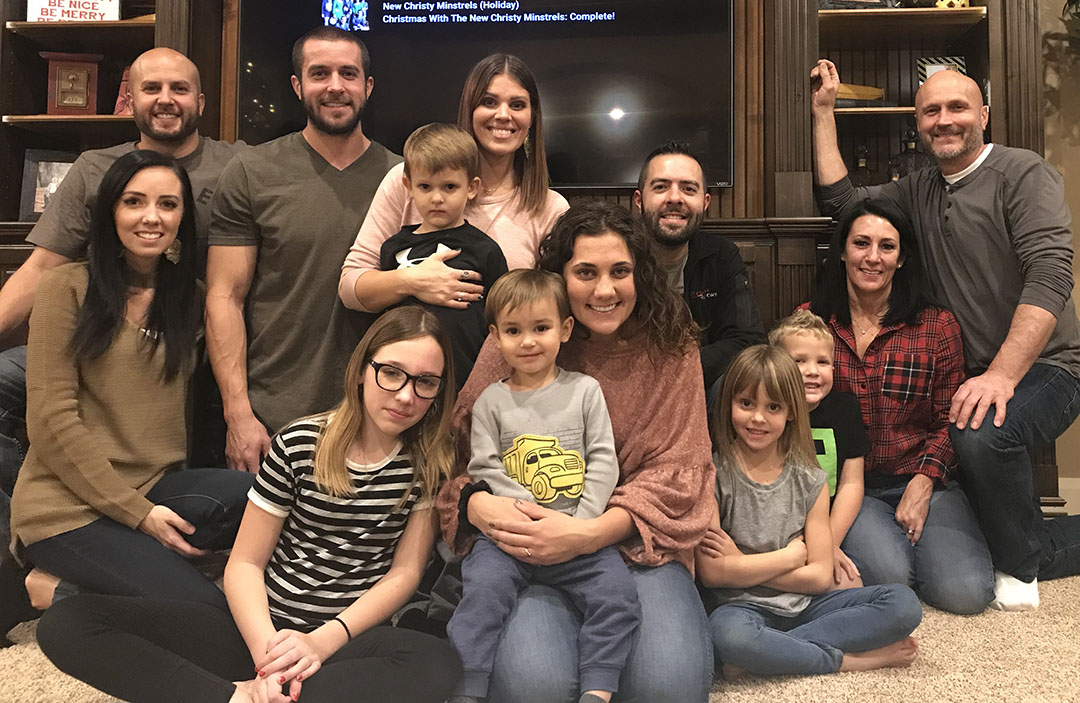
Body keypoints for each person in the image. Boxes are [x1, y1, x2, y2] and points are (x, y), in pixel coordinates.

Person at [35, 306, 463, 703]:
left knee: (437, 662)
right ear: (362, 371)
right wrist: (267, 659)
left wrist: (320, 642)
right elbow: (244, 564)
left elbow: (404, 573)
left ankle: (269, 694)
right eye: (392, 373)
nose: (405, 395)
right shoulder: (299, 443)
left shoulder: (430, 462)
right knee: (68, 622)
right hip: (257, 630)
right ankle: (237, 697)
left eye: (425, 382)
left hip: (344, 641)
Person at [811, 59, 1080, 610]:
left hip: (1050, 366)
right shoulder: (918, 189)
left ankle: (1024, 565)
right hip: (973, 369)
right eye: (931, 110)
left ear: (983, 114)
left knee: (979, 433)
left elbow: (1051, 274)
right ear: (918, 122)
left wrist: (1001, 376)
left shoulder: (1023, 173)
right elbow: (845, 204)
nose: (944, 120)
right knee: (978, 459)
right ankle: (1021, 542)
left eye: (958, 107)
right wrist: (822, 113)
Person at [0, 47, 245, 618]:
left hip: (153, 481)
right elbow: (52, 420)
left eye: (167, 205)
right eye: (133, 203)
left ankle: (121, 566)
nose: (151, 217)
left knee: (264, 499)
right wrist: (140, 516)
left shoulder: (187, 297)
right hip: (70, 502)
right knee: (204, 614)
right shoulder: (69, 285)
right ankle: (43, 584)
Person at [438, 201, 715, 703]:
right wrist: (478, 504)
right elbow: (463, 453)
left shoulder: (673, 346)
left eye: (620, 271)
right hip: (528, 543)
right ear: (560, 275)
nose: (604, 290)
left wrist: (586, 533)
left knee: (667, 688)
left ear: (640, 274)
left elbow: (682, 470)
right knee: (535, 687)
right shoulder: (523, 334)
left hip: (638, 544)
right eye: (586, 272)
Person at [207, 26, 401, 474]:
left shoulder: (405, 179)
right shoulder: (251, 172)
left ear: (368, 86)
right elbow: (224, 297)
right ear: (297, 85)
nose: (335, 86)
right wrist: (238, 414)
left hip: (381, 416)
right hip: (274, 419)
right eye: (319, 74)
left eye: (348, 74)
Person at [447, 269, 638, 703]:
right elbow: (484, 466)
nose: (528, 341)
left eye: (541, 328)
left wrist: (581, 525)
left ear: (564, 329)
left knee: (618, 595)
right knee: (482, 591)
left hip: (578, 532)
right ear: (495, 337)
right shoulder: (490, 401)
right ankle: (468, 685)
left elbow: (603, 460)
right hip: (510, 535)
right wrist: (524, 513)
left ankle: (598, 688)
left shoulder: (585, 391)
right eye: (514, 330)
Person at [806, 200, 994, 615]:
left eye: (886, 246)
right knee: (891, 576)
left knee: (966, 594)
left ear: (902, 257)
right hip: (853, 488)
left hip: (925, 476)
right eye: (861, 243)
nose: (873, 257)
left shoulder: (936, 325)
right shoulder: (810, 324)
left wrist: (924, 482)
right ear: (842, 251)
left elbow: (951, 418)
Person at [699, 344, 921, 678]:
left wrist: (740, 564)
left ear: (791, 411)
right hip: (742, 609)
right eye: (746, 403)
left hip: (807, 603)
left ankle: (769, 653)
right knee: (727, 635)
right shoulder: (713, 475)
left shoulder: (810, 478)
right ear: (729, 404)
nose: (758, 418)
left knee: (904, 604)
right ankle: (845, 661)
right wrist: (788, 558)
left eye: (773, 407)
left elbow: (819, 577)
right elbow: (713, 574)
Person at [339, 52, 569, 315]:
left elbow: (553, 309)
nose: (503, 115)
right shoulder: (406, 180)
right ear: (469, 109)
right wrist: (411, 281)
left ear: (532, 117)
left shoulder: (551, 208)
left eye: (517, 105)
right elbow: (350, 287)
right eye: (489, 102)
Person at [379, 123, 508, 389]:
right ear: (408, 186)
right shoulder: (393, 248)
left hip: (465, 378)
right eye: (425, 186)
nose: (436, 198)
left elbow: (502, 318)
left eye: (449, 186)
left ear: (471, 187)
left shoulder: (485, 250)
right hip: (403, 380)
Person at [633, 140, 765, 396]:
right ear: (639, 200)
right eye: (661, 187)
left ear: (705, 202)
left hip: (700, 387)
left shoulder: (722, 256)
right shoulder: (620, 258)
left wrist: (678, 371)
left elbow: (748, 340)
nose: (674, 198)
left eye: (688, 189)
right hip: (633, 388)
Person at [770, 310, 869, 590]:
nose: (812, 371)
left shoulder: (846, 410)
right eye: (798, 361)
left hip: (829, 522)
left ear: (834, 368)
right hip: (779, 527)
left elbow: (851, 484)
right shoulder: (766, 416)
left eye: (822, 362)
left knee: (849, 582)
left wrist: (827, 544)